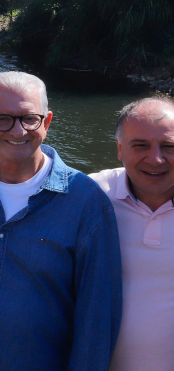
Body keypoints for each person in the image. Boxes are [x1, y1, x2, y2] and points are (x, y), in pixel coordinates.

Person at [0, 71, 122, 370]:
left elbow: (97, 317)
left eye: (29, 118)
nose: (18, 131)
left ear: (46, 123)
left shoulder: (85, 201)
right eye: (3, 119)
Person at [90, 96, 174, 371]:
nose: (156, 158)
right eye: (140, 146)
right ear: (119, 149)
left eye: (169, 146)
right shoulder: (89, 196)